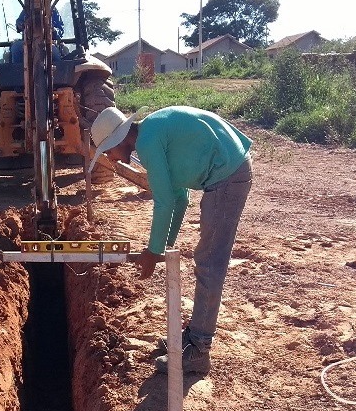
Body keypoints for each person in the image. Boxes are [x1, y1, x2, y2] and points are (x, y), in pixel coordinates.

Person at [88, 105, 253, 375]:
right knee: (207, 259)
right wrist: (166, 246)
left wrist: (153, 252)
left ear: (119, 139)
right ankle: (191, 338)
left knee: (210, 262)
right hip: (227, 168)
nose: (112, 159)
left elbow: (164, 203)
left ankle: (198, 349)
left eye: (108, 151)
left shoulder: (149, 141)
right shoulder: (150, 135)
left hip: (228, 175)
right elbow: (179, 197)